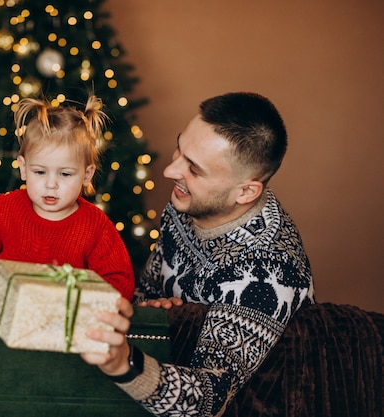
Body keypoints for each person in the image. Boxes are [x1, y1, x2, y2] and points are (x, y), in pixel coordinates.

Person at [81, 92, 316, 416]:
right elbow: (147, 290)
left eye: (195, 169)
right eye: (181, 148)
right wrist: (151, 308)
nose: (171, 170)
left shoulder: (267, 272)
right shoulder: (187, 203)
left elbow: (208, 400)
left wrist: (124, 363)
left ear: (246, 191)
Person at [0, 95, 135, 305]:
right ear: (23, 167)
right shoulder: (5, 209)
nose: (51, 184)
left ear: (87, 174)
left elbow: (120, 282)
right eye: (39, 172)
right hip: (2, 318)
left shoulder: (95, 226)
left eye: (65, 174)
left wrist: (71, 294)